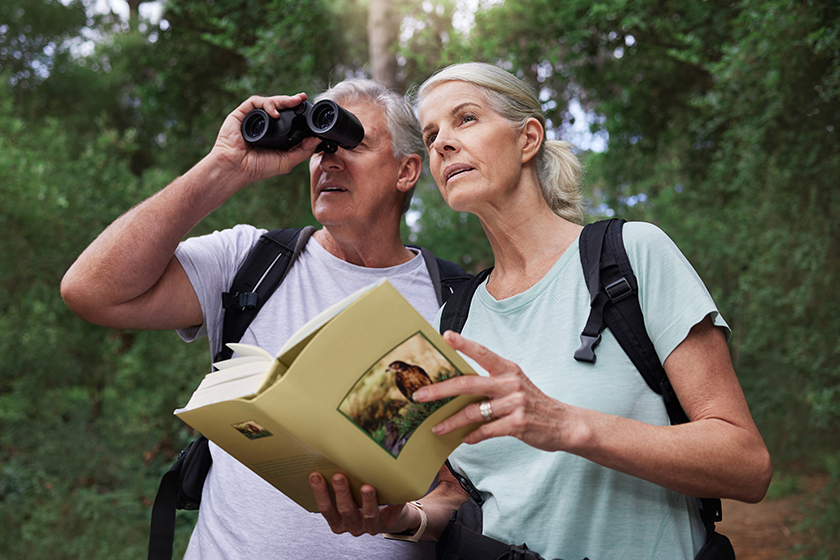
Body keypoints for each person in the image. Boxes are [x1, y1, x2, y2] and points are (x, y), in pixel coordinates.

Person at [309, 62, 773, 559]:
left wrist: (565, 424)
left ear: (527, 139)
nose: (442, 142)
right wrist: (404, 517)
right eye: (431, 133)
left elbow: (747, 465)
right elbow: (463, 492)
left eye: (465, 119)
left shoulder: (631, 256)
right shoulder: (455, 316)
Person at [60, 79, 467, 559]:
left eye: (351, 143)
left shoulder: (457, 303)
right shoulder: (252, 260)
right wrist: (224, 167)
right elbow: (90, 291)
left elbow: (461, 487)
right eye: (319, 148)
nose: (328, 160)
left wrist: (408, 518)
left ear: (407, 171)